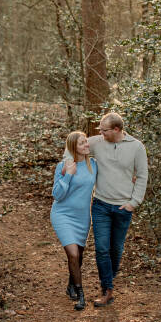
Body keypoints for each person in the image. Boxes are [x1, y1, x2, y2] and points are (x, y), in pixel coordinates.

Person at [63, 112, 148, 307]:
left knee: (116, 249)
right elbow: (71, 148)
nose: (100, 133)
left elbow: (142, 176)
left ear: (116, 129)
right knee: (102, 249)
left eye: (104, 130)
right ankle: (107, 289)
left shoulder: (136, 147)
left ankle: (108, 278)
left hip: (123, 207)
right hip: (101, 205)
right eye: (99, 129)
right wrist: (68, 167)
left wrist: (133, 203)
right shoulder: (98, 142)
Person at [51, 131, 97, 311]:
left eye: (86, 142)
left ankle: (71, 284)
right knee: (73, 254)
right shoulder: (63, 166)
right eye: (81, 144)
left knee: (79, 255)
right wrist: (68, 174)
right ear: (73, 148)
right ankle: (81, 294)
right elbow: (57, 195)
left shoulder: (94, 165)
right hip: (62, 214)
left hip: (83, 217)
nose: (86, 145)